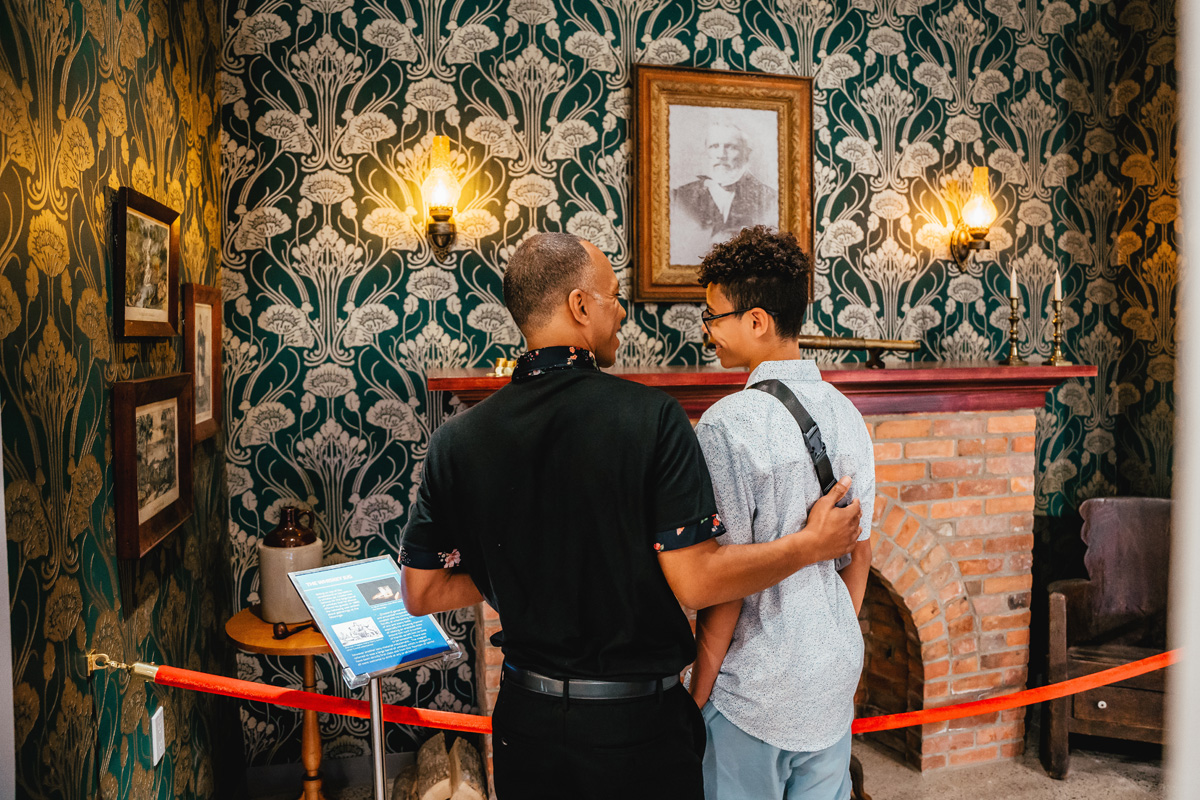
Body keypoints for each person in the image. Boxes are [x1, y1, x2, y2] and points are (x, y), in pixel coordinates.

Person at [399, 231, 863, 800]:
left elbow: (420, 593)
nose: (621, 312)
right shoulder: (652, 419)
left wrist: (519, 570)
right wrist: (809, 546)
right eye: (614, 296)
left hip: (526, 722)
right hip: (637, 726)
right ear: (579, 306)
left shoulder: (456, 441)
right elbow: (696, 581)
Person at [689, 225, 875, 800]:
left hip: (754, 689)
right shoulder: (848, 411)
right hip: (833, 674)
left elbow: (724, 581)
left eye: (712, 316)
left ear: (757, 320)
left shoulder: (727, 422)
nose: (706, 332)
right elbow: (860, 549)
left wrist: (696, 694)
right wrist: (831, 637)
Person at [671, 121, 779, 264]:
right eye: (714, 146)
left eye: (731, 147)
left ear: (746, 154)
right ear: (705, 152)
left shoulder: (770, 199)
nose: (721, 155)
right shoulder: (679, 198)